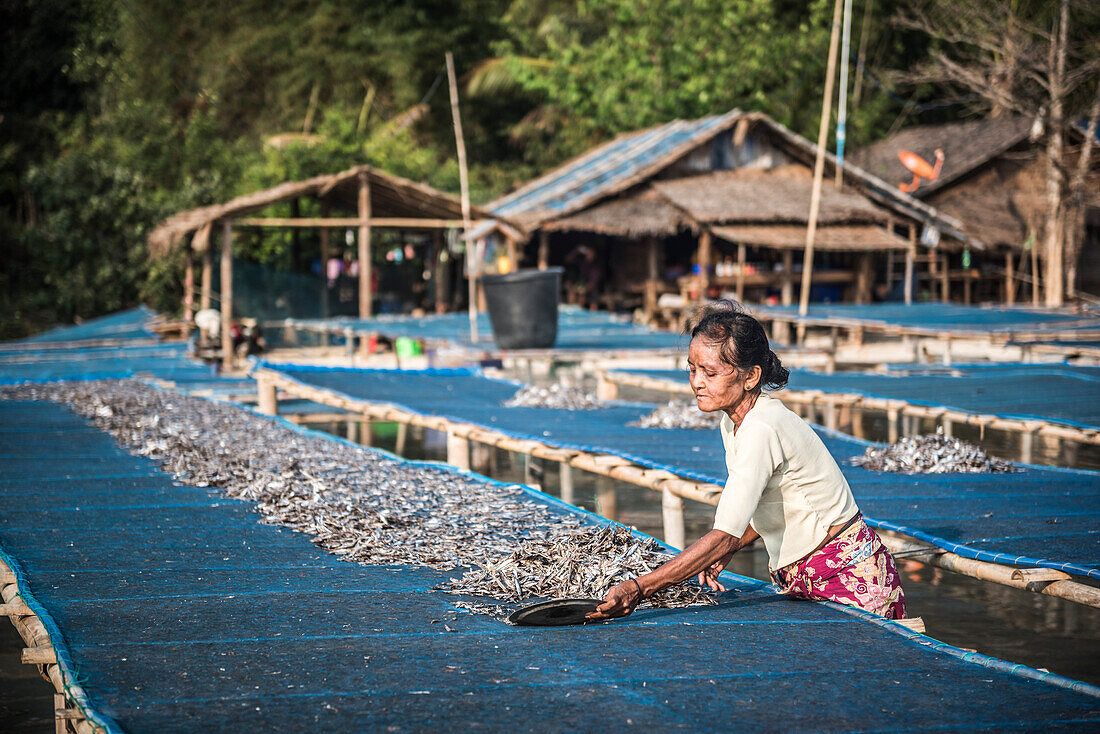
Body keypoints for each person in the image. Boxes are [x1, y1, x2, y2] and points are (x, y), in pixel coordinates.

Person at [588, 300, 906, 621]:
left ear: (751, 376)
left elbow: (724, 533)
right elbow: (772, 505)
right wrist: (727, 549)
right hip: (804, 582)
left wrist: (639, 588)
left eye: (710, 372)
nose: (697, 382)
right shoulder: (734, 421)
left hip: (852, 582)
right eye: (692, 369)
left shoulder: (762, 426)